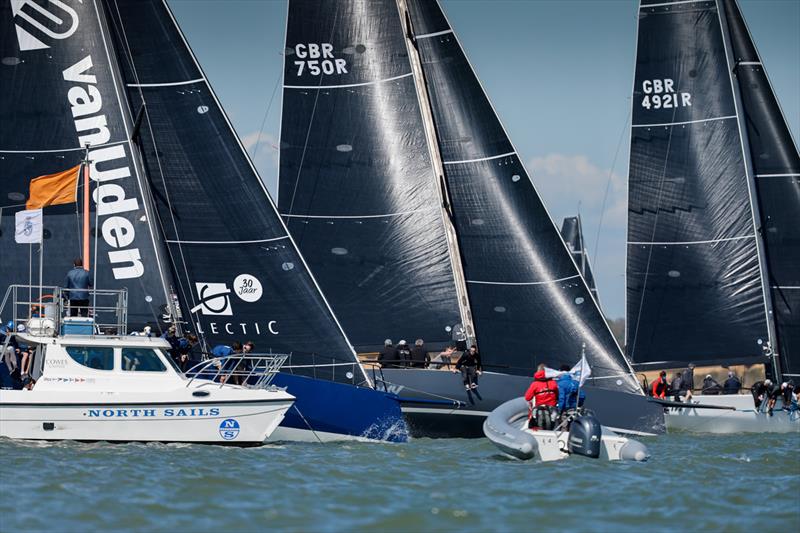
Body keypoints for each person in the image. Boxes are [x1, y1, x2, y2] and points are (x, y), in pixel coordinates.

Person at [524, 364, 559, 430]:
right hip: (552, 411)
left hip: (539, 410)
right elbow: (558, 396)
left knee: (534, 419)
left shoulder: (535, 384)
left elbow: (527, 397)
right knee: (554, 420)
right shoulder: (553, 383)